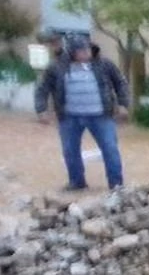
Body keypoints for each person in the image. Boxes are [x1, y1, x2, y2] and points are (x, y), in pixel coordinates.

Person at [34, 36, 131, 191]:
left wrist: (123, 104)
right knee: (70, 151)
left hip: (101, 116)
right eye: (81, 50)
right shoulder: (57, 67)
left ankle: (116, 185)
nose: (86, 53)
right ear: (72, 52)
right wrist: (41, 110)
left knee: (110, 148)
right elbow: (42, 88)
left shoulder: (104, 65)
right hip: (69, 117)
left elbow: (120, 83)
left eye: (87, 49)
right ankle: (77, 183)